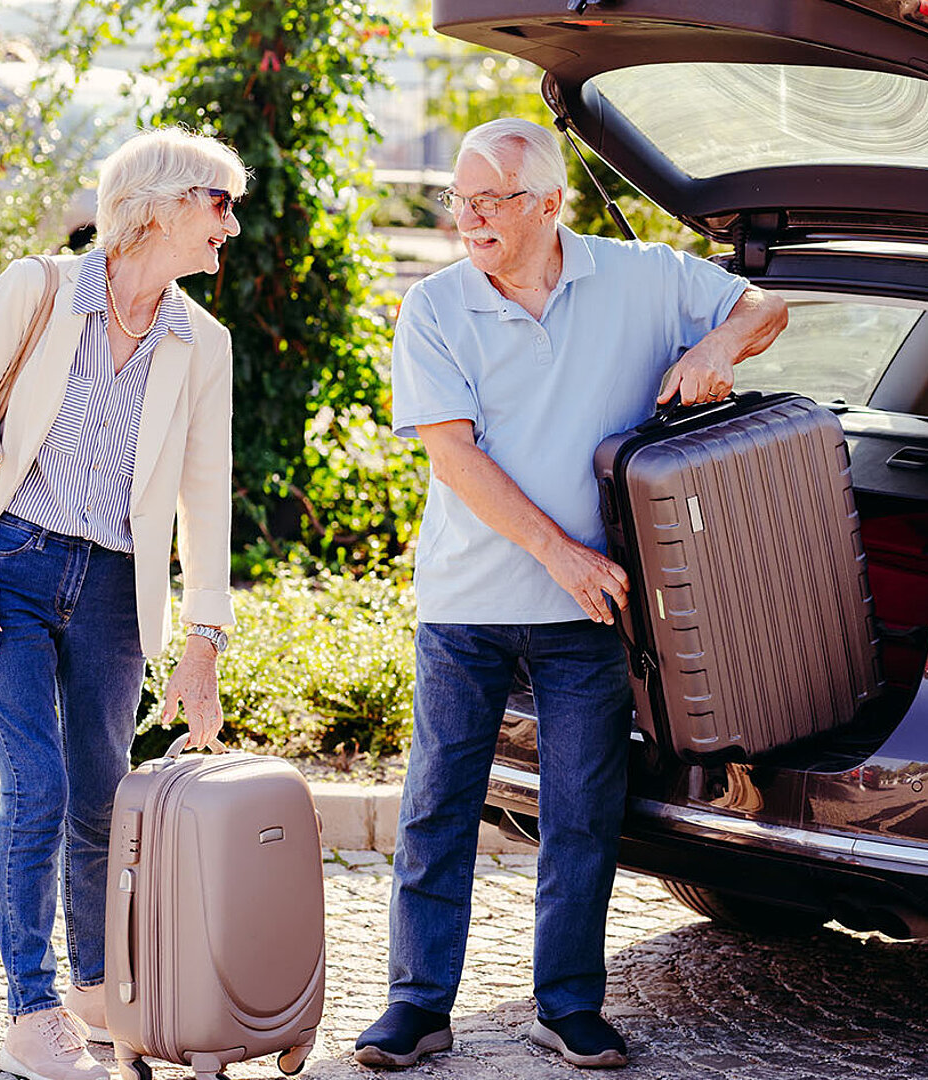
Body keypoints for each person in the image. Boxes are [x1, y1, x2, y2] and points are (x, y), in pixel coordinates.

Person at [355, 118, 788, 1070]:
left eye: (491, 201)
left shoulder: (639, 277)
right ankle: (417, 1004)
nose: (468, 218)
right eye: (457, 200)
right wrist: (560, 555)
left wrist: (720, 349)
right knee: (438, 805)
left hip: (590, 611)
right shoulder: (435, 306)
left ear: (550, 204)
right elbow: (454, 458)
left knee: (585, 811)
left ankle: (568, 1003)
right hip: (470, 603)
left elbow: (764, 307)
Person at [0, 128, 243, 1080]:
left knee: (102, 797)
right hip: (5, 566)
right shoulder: (40, 291)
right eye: (217, 202)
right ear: (160, 204)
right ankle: (31, 1008)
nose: (230, 223)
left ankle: (99, 990)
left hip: (111, 590)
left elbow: (204, 498)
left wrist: (204, 642)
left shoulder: (201, 343)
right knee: (41, 787)